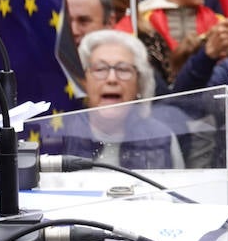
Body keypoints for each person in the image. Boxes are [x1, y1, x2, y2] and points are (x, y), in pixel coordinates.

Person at [48, 30, 186, 169]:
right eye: (100, 69)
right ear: (84, 82)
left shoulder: (161, 137)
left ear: (139, 84)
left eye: (123, 69)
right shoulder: (59, 136)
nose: (112, 79)